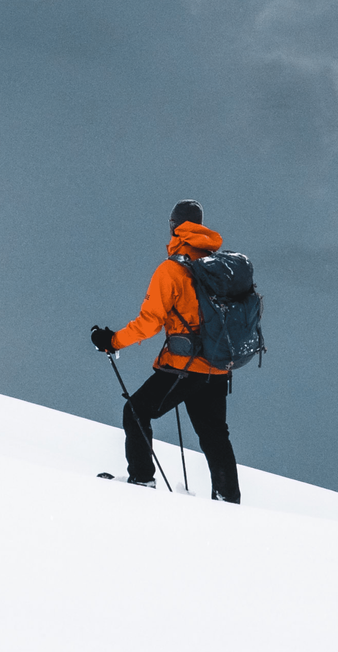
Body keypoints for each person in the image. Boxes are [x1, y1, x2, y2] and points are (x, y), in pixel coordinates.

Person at [91, 200, 240, 501]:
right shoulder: (220, 268)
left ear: (174, 226)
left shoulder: (171, 270)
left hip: (183, 367)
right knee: (215, 436)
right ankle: (228, 500)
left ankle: (142, 481)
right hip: (218, 367)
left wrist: (112, 341)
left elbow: (149, 323)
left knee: (135, 412)